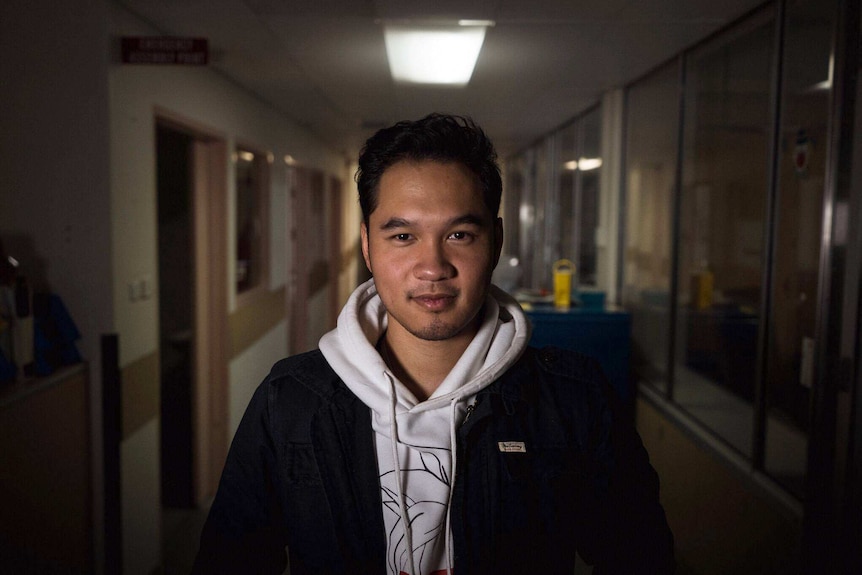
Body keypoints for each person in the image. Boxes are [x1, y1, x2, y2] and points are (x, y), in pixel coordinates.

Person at [192, 113, 675, 575]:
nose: (433, 267)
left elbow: (638, 557)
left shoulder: (572, 399)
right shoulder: (292, 401)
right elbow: (231, 561)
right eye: (403, 235)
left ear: (497, 241)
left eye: (460, 234)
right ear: (366, 245)